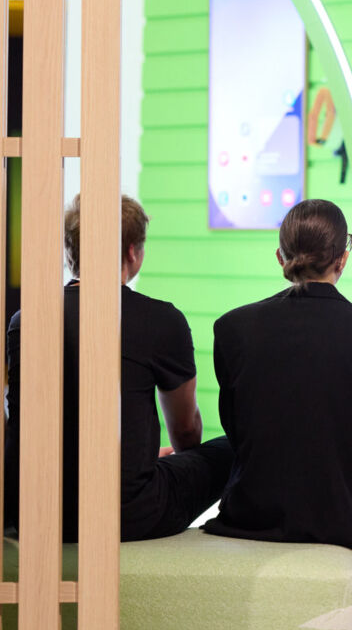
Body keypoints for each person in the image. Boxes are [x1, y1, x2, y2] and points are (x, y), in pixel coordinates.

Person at [203, 199, 352, 608]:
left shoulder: (232, 328)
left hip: (253, 509)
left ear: (280, 256)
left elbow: (237, 427)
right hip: (342, 511)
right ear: (343, 258)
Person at [5, 194, 232, 542]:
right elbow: (186, 436)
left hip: (36, 512)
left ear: (71, 252)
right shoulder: (161, 320)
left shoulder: (24, 320)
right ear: (131, 252)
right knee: (230, 449)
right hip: (129, 514)